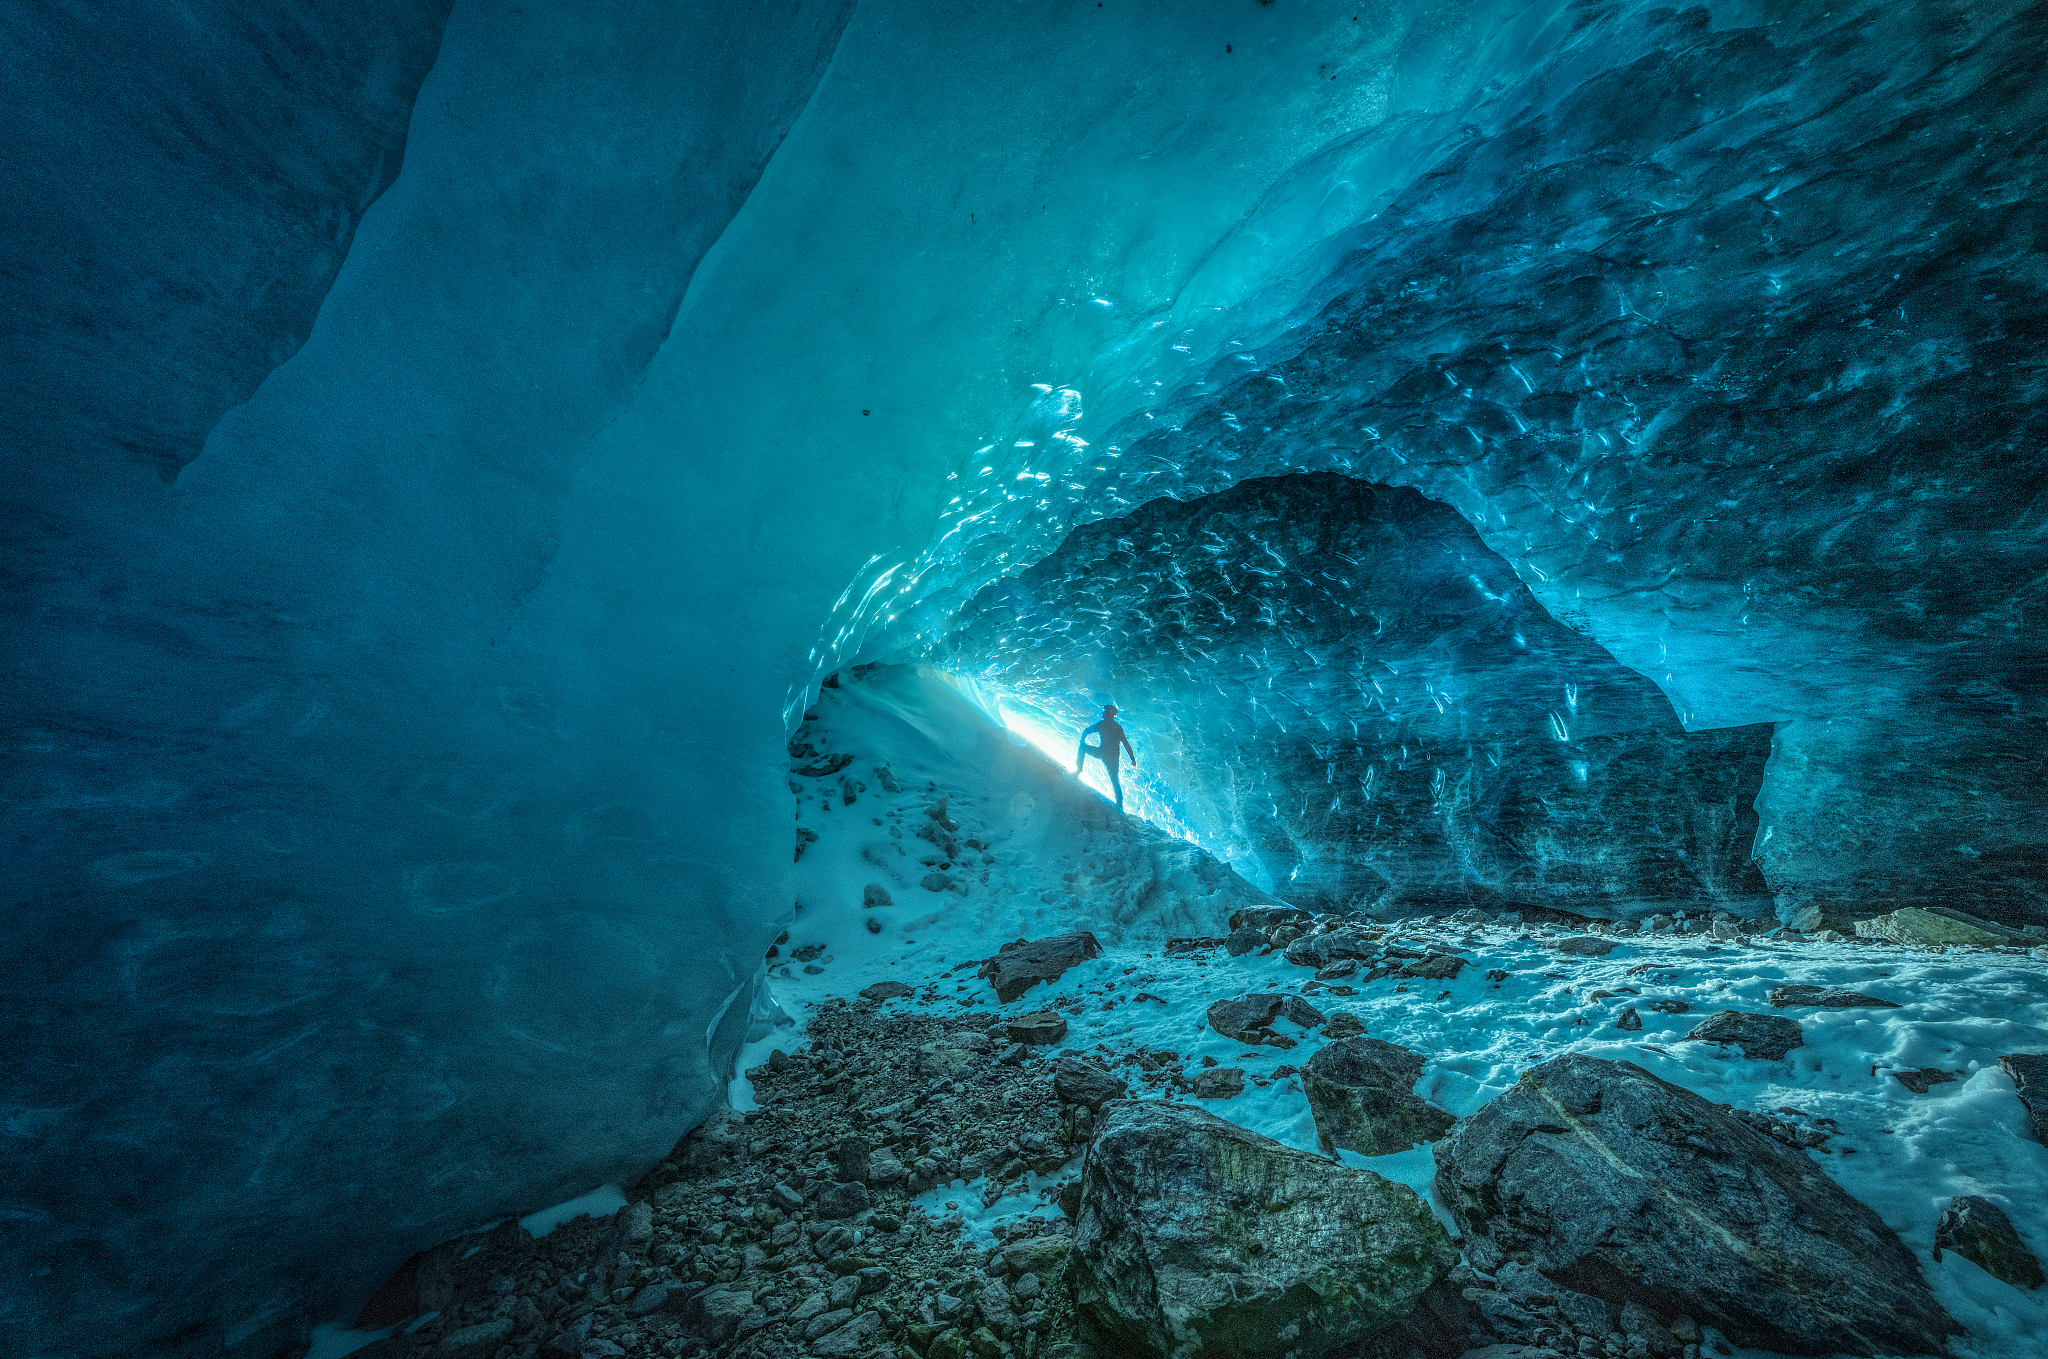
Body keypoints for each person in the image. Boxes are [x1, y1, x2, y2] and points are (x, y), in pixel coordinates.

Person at [1075, 704, 1137, 810]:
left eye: (1104, 711)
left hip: (1101, 753)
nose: (1102, 713)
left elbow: (1086, 731)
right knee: (1115, 781)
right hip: (1113, 759)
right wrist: (1132, 758)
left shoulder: (1101, 724)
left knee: (1082, 747)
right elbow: (1126, 744)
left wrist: (1082, 740)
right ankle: (1119, 805)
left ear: (1108, 714)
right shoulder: (1118, 728)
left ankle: (1079, 769)